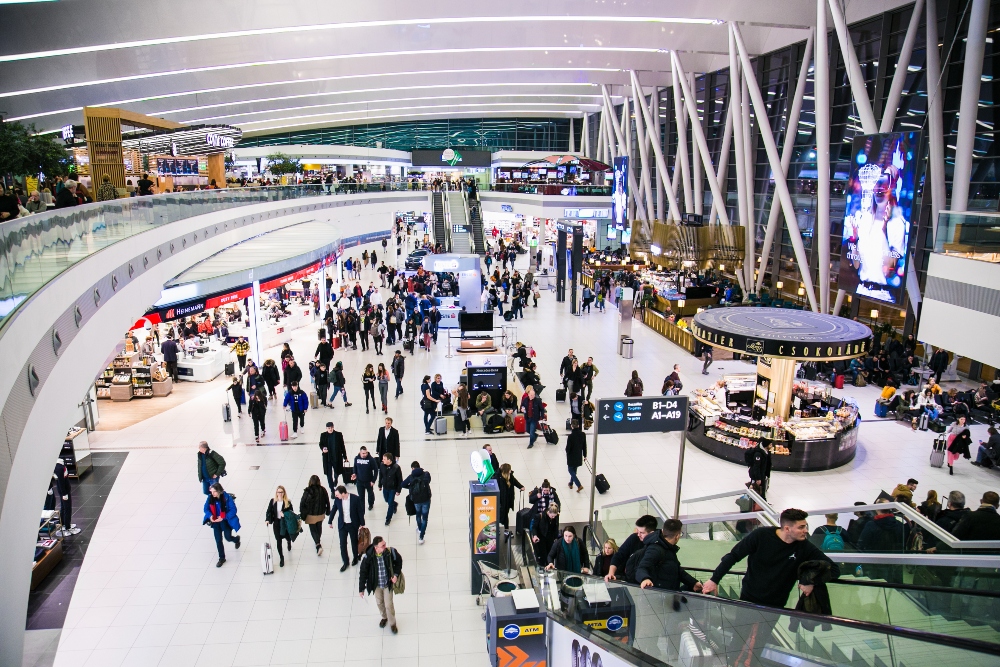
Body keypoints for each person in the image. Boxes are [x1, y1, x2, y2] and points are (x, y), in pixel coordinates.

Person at [702, 508, 839, 607]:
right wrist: (714, 579)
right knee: (741, 638)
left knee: (759, 641)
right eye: (801, 527)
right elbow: (733, 556)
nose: (806, 531)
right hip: (749, 598)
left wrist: (809, 580)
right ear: (787, 529)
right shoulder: (761, 536)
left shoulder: (804, 547)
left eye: (806, 526)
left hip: (776, 604)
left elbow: (834, 569)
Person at [635, 519, 701, 591]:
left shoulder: (668, 548)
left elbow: (677, 570)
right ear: (677, 536)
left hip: (668, 594)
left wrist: (693, 583)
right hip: (659, 594)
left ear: (663, 531)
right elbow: (642, 567)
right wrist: (645, 579)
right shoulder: (655, 549)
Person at [358, 536, 403, 634]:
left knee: (388, 604)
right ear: (376, 548)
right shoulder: (368, 557)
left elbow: (399, 562)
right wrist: (361, 589)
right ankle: (384, 617)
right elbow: (363, 572)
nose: (385, 547)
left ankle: (392, 623)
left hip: (387, 584)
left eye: (385, 544)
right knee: (379, 603)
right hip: (376, 584)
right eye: (382, 546)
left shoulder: (390, 552)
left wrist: (395, 575)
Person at [606, 515, 658, 581]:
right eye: (637, 531)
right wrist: (611, 573)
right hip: (628, 579)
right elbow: (619, 555)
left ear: (651, 533)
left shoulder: (657, 546)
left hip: (646, 582)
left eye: (641, 532)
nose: (638, 534)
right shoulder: (634, 538)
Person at [203, 483, 241, 567]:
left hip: (225, 521)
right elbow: (206, 508)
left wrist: (224, 517)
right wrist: (210, 516)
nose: (212, 494)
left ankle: (236, 539)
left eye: (214, 492)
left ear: (219, 491)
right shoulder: (210, 498)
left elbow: (233, 510)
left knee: (228, 537)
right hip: (216, 522)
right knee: (218, 540)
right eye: (211, 491)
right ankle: (222, 558)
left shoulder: (227, 498)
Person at [330, 485, 366, 572]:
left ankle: (355, 557)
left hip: (352, 525)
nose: (336, 496)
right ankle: (345, 562)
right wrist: (330, 521)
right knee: (342, 544)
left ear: (343, 493)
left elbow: (360, 512)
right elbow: (334, 509)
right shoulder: (338, 500)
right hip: (342, 525)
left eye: (337, 495)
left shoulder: (355, 499)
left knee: (354, 542)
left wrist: (362, 523)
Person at [299, 475, 330, 557]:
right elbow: (327, 500)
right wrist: (328, 511)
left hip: (310, 514)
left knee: (313, 529)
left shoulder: (308, 491)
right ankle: (318, 541)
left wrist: (302, 514)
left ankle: (318, 544)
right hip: (321, 513)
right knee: (319, 527)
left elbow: (302, 503)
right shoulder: (323, 490)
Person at [401, 461, 432, 544]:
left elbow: (402, 484)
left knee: (418, 514)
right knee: (425, 518)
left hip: (416, 500)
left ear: (412, 468)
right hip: (426, 499)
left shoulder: (411, 477)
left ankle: (419, 528)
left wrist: (411, 487)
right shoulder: (426, 474)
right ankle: (421, 537)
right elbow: (428, 481)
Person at [264, 486, 295, 568]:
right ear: (276, 493)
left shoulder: (287, 502)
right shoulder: (273, 501)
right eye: (278, 492)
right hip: (277, 523)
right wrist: (267, 519)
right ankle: (281, 557)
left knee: (287, 537)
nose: (280, 494)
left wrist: (284, 514)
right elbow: (269, 511)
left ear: (284, 493)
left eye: (281, 492)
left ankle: (289, 542)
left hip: (284, 523)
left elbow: (292, 513)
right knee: (278, 540)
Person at [319, 422, 347, 490]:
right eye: (329, 428)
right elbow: (321, 444)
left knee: (337, 471)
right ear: (326, 428)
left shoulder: (338, 435)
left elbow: (342, 446)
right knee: (329, 474)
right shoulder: (323, 435)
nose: (330, 429)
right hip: (327, 458)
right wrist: (323, 449)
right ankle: (332, 489)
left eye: (331, 427)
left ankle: (336, 478)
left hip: (336, 457)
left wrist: (345, 456)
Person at [496, 463, 523, 529]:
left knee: (505, 514)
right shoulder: (498, 478)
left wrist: (520, 487)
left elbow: (515, 482)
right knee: (500, 515)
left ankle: (505, 528)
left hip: (507, 500)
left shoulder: (510, 476)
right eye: (509, 470)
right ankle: (501, 528)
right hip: (501, 501)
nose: (510, 471)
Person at [378, 453, 403, 525]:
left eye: (384, 459)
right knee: (387, 500)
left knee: (390, 503)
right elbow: (381, 476)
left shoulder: (396, 468)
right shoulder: (382, 465)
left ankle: (388, 518)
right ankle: (395, 504)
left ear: (389, 460)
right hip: (385, 487)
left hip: (392, 488)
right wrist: (380, 485)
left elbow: (400, 479)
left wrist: (398, 490)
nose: (383, 460)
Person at [352, 446, 377, 510]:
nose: (365, 454)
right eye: (363, 453)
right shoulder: (356, 458)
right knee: (361, 496)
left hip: (369, 481)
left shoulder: (371, 460)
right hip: (360, 481)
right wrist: (354, 473)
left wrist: (373, 481)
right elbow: (355, 467)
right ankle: (362, 510)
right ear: (360, 452)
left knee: (370, 494)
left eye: (365, 453)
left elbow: (376, 470)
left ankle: (371, 504)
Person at [565, 420, 587, 492]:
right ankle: (571, 483)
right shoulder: (583, 434)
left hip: (571, 456)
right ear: (578, 425)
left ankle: (579, 485)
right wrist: (585, 455)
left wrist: (566, 451)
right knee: (574, 470)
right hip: (578, 456)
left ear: (571, 426)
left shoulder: (570, 437)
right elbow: (584, 446)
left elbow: (568, 448)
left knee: (570, 470)